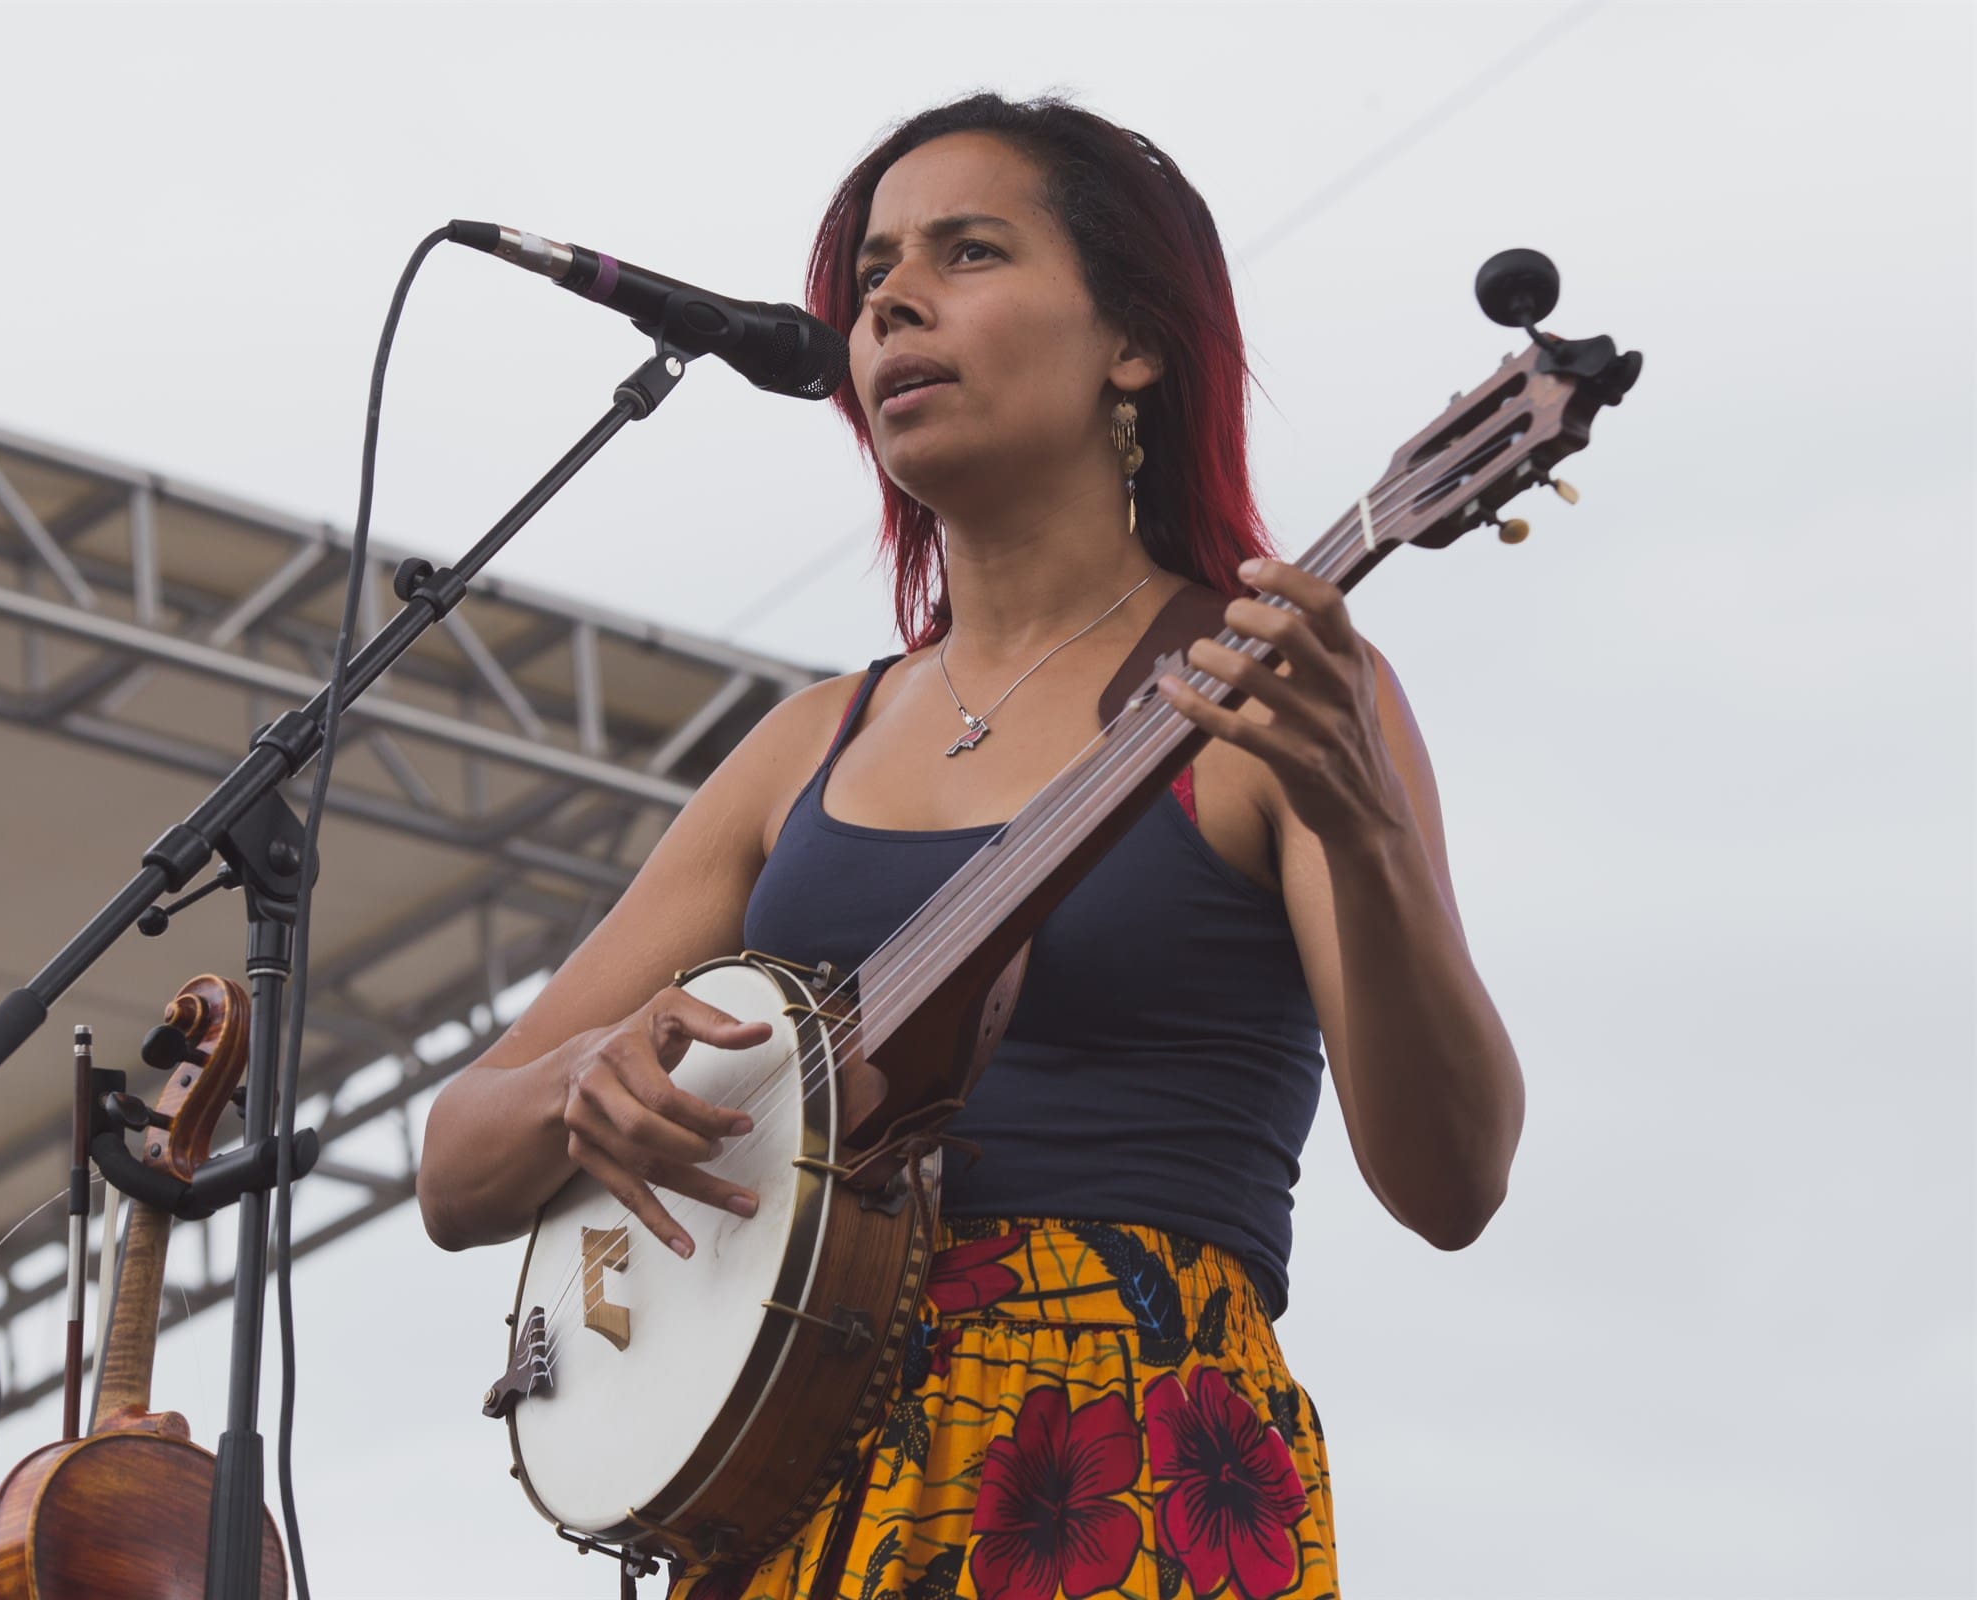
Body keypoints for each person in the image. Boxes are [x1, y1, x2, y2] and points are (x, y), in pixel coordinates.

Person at [416, 92, 1524, 1600]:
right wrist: (578, 1086)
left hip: (1119, 1459)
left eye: (971, 251)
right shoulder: (808, 743)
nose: (890, 303)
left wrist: (1367, 828)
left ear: (1134, 342)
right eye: (872, 272)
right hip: (789, 1488)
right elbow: (456, 1169)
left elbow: (1453, 1184)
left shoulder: (1276, 691)